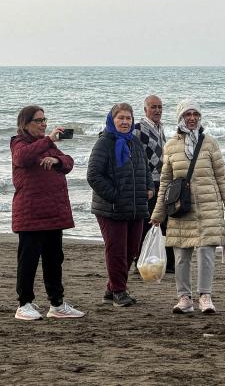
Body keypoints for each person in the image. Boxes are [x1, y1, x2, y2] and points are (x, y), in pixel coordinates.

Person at [150, 100, 225, 314]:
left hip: (209, 208)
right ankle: (184, 298)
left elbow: (221, 178)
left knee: (207, 252)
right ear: (181, 118)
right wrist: (158, 213)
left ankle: (205, 297)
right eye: (187, 114)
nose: (192, 118)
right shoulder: (170, 146)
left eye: (195, 114)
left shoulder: (210, 143)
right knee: (181, 256)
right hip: (181, 209)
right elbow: (165, 183)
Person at [11, 105, 85, 320]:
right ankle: (24, 304)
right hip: (31, 213)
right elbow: (22, 158)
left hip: (54, 213)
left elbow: (69, 163)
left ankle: (57, 304)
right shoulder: (19, 142)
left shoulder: (48, 145)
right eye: (38, 120)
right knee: (29, 260)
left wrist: (57, 160)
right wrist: (49, 141)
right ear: (25, 124)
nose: (43, 124)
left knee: (54, 259)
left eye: (45, 120)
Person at [87, 103, 154, 307]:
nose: (125, 122)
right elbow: (94, 175)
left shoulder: (134, 142)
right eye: (121, 118)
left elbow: (146, 169)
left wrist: (150, 187)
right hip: (111, 208)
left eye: (128, 118)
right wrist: (115, 196)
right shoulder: (104, 142)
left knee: (132, 249)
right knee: (117, 250)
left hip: (135, 207)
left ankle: (111, 288)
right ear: (112, 119)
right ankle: (119, 291)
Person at [133, 95, 174, 273]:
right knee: (147, 224)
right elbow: (137, 159)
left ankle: (165, 263)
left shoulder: (160, 127)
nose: (157, 110)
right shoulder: (138, 129)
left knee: (165, 223)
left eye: (159, 107)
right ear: (145, 110)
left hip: (163, 182)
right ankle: (141, 263)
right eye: (153, 107)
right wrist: (144, 184)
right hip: (149, 184)